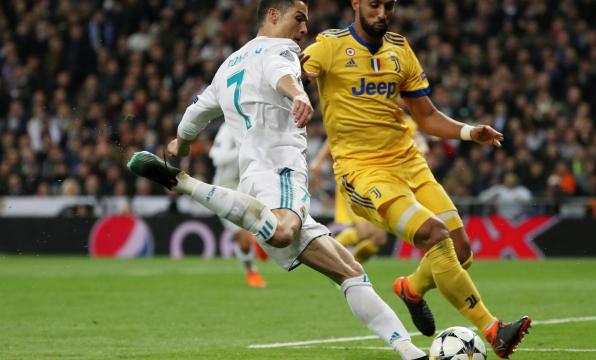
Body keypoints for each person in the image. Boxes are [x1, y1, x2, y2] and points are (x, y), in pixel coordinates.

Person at [127, 1, 426, 358]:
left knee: (349, 270)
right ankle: (183, 183)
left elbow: (195, 114)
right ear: (272, 15)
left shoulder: (227, 66)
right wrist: (298, 93)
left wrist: (182, 143)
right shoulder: (280, 49)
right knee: (284, 232)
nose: (303, 30)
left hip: (253, 184)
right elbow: (278, 71)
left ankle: (410, 351)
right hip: (280, 171)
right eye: (298, 19)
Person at [302, 0, 531, 357]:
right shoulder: (329, 46)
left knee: (460, 250)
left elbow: (426, 116)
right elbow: (290, 69)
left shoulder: (400, 49)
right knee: (433, 235)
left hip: (410, 163)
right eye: (374, 5)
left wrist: (471, 132)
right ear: (356, 4)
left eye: (388, 6)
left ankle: (411, 287)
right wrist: (293, 90)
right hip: (364, 172)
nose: (382, 13)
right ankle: (493, 329)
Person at [310, 115, 428, 263]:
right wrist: (319, 161)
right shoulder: (367, 112)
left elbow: (420, 141)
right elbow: (338, 133)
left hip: (382, 183)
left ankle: (350, 267)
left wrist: (420, 151)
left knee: (378, 239)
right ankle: (329, 256)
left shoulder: (404, 121)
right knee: (365, 231)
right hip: (356, 177)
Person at [209, 122, 267, 288]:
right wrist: (242, 150)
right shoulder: (227, 129)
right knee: (242, 237)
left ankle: (260, 242)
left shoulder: (255, 127)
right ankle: (251, 272)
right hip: (223, 190)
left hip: (245, 186)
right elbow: (216, 157)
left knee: (264, 223)